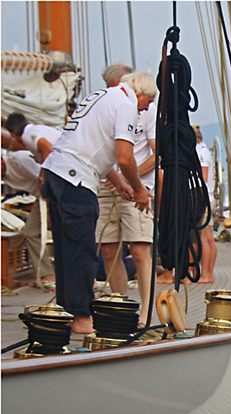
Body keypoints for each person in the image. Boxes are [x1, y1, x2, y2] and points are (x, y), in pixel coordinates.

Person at [42, 70, 155, 334]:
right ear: (141, 93)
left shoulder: (102, 96)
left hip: (56, 172)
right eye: (148, 102)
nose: (147, 107)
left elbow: (93, 148)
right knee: (82, 251)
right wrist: (139, 190)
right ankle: (82, 318)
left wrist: (122, 185)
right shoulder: (126, 105)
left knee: (65, 250)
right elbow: (125, 158)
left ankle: (66, 312)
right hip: (76, 180)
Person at [96, 66, 159, 324]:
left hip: (137, 186)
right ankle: (121, 308)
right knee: (109, 250)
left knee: (140, 249)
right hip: (106, 184)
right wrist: (114, 177)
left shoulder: (148, 109)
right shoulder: (109, 104)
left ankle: (146, 314)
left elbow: (158, 154)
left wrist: (128, 181)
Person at [0, 150, 56, 288]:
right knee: (30, 232)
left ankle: (60, 276)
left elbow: (48, 178)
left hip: (55, 193)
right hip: (41, 198)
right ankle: (44, 274)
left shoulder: (19, 160)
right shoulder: (5, 174)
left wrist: (48, 210)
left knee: (64, 232)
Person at [193, 125, 217, 283]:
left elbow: (202, 177)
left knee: (202, 237)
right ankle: (208, 273)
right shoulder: (205, 151)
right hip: (209, 198)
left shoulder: (200, 154)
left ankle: (206, 274)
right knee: (208, 237)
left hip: (203, 198)